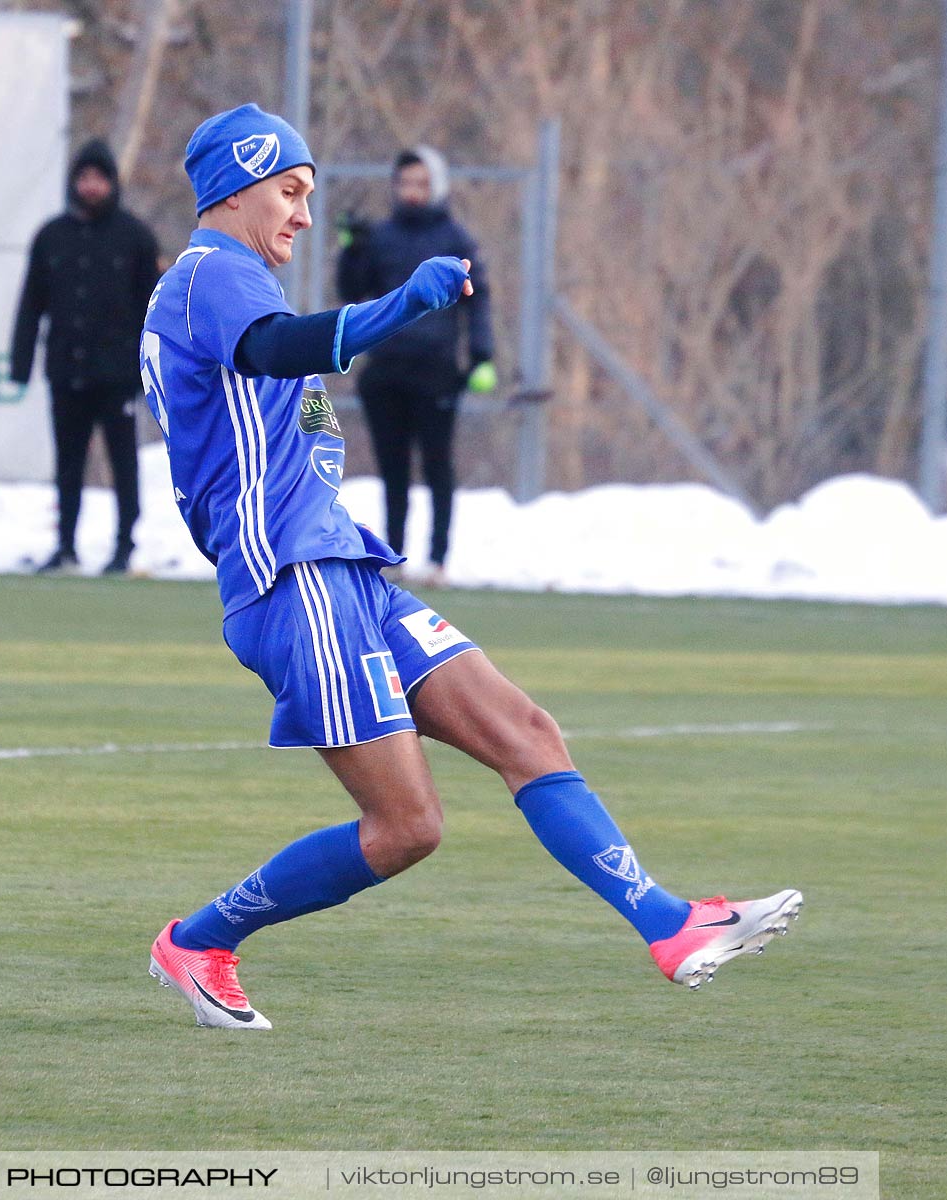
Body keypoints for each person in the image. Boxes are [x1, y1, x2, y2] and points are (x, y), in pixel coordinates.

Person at [138, 105, 803, 1031]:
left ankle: (668, 923)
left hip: (346, 573)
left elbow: (275, 415)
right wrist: (399, 306)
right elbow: (278, 350)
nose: (302, 213)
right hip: (293, 587)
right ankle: (199, 940)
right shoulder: (213, 272)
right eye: (290, 192)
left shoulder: (236, 281)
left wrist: (317, 448)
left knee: (526, 730)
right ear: (239, 184)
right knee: (408, 828)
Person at [337, 146, 495, 586]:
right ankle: (395, 554)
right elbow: (353, 290)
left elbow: (477, 297)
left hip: (436, 370)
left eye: (421, 183)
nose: (412, 191)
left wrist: (482, 355)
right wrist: (352, 250)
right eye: (405, 182)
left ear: (438, 187)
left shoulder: (455, 239)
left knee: (437, 464)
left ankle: (439, 557)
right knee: (393, 468)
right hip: (386, 369)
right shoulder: (382, 237)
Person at [10, 139, 161, 575]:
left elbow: (154, 307)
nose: (91, 187)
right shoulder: (52, 236)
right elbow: (31, 303)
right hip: (66, 370)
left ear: (112, 184)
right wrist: (20, 362)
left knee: (122, 461)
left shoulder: (134, 237)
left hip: (119, 375)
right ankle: (65, 544)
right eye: (84, 178)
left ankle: (124, 544)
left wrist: (150, 369)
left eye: (99, 179)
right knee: (68, 461)